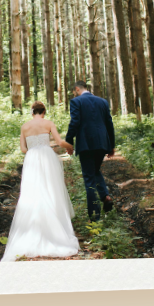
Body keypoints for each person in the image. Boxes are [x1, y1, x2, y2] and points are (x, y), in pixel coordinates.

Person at [1, 101, 81, 261]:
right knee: (51, 188)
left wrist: (33, 149)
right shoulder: (48, 123)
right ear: (43, 111)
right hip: (47, 156)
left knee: (33, 190)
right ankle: (55, 223)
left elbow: (23, 149)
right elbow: (59, 142)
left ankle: (33, 224)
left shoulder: (24, 126)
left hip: (32, 158)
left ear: (32, 112)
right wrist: (70, 147)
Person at [66, 80, 117, 221]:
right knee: (94, 171)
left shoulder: (76, 102)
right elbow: (109, 123)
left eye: (74, 91)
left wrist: (68, 141)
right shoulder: (103, 102)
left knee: (89, 177)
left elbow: (74, 122)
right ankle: (105, 196)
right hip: (102, 143)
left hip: (86, 144)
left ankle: (95, 215)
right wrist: (111, 145)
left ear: (77, 89)